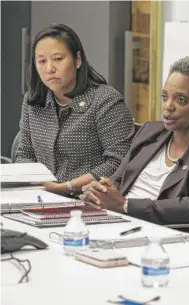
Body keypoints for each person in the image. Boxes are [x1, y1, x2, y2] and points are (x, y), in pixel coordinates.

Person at [80, 57, 189, 226]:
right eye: (165, 97)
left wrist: (125, 205)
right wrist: (98, 191)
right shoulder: (150, 131)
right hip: (116, 221)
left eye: (181, 100)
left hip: (165, 233)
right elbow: (117, 180)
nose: (167, 106)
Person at [15, 24, 134, 197]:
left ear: (77, 60)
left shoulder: (105, 100)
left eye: (57, 59)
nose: (49, 69)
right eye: (41, 61)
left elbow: (120, 161)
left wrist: (66, 187)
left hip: (89, 200)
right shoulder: (33, 100)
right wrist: (36, 183)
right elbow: (24, 153)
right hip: (42, 197)